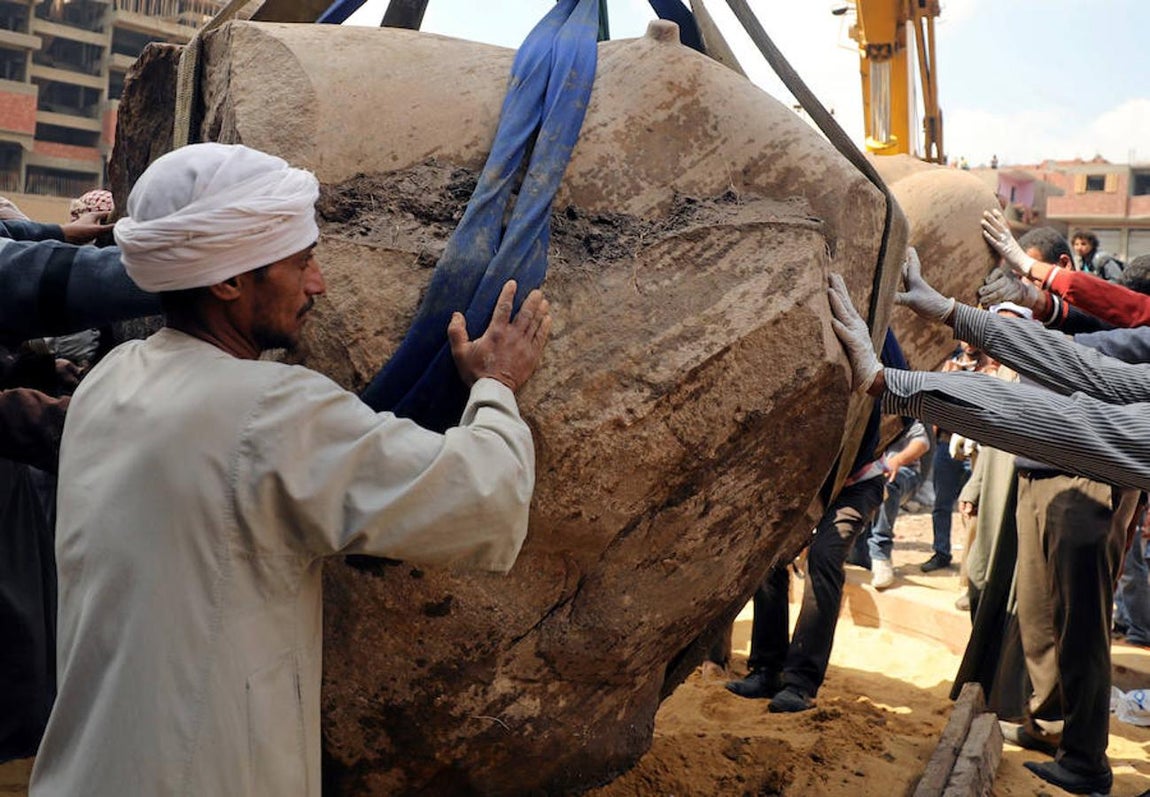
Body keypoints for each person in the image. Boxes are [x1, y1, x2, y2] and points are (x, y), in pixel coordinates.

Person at [28, 143, 552, 796]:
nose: (318, 283)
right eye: (301, 261)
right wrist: (497, 385)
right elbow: (485, 503)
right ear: (227, 280)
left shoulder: (111, 381)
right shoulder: (271, 413)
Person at [827, 248, 1150, 796]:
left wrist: (894, 386)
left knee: (1078, 624)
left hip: (1081, 483)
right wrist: (953, 313)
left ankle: (1082, 756)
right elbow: (1091, 372)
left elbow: (1076, 424)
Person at [724, 331, 902, 711]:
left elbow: (901, 382)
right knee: (769, 562)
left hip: (857, 481)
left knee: (824, 556)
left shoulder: (874, 324)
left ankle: (800, 682)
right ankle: (766, 669)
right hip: (801, 482)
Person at [921, 343, 985, 573]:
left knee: (976, 509)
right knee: (942, 503)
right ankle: (941, 552)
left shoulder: (990, 366)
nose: (969, 342)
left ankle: (974, 564)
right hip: (948, 445)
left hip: (978, 450)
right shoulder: (948, 364)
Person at [850, 415, 930, 589]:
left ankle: (881, 554)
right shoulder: (862, 414)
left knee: (886, 484)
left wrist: (897, 461)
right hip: (866, 476)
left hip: (904, 474)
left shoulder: (900, 413)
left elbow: (922, 442)